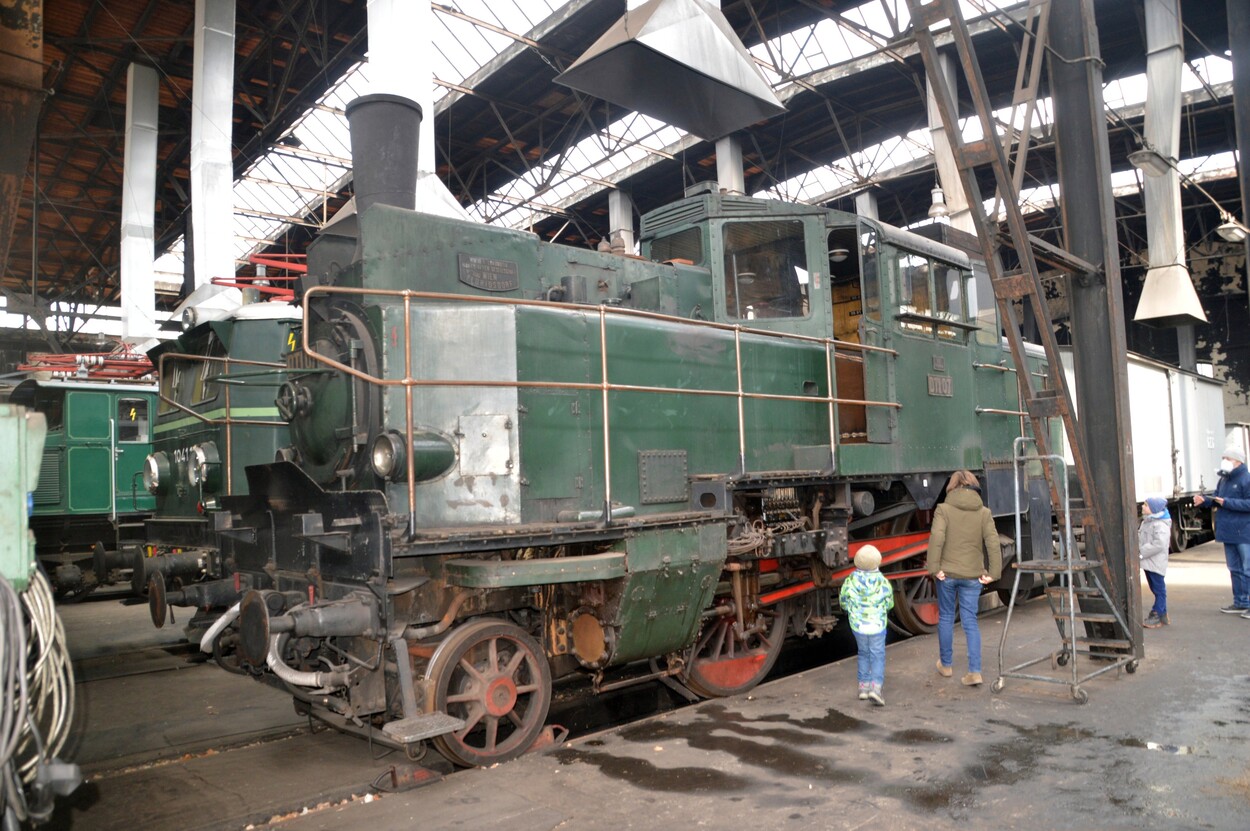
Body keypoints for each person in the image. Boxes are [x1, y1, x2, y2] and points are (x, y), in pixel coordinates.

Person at [926, 470, 1001, 686]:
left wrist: (935, 568)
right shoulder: (983, 512)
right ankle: (975, 672)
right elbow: (993, 543)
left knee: (947, 617)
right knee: (970, 620)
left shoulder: (944, 509)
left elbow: (937, 538)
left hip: (947, 575)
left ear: (952, 487)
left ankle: (946, 666)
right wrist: (993, 573)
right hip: (973, 576)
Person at [1194, 447, 1250, 617]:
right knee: (1234, 568)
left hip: (1243, 532)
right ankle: (1240, 602)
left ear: (1238, 461)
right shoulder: (1224, 479)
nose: (1224, 460)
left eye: (1228, 458)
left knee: (1247, 568)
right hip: (1228, 531)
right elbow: (1217, 497)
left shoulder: (1246, 479)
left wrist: (1226, 502)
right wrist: (1205, 500)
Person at [839, 544, 894, 706]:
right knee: (877, 655)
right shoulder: (883, 582)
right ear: (878, 562)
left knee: (863, 653)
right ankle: (876, 689)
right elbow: (889, 603)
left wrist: (851, 610)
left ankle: (863, 688)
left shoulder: (850, 580)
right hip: (877, 625)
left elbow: (843, 601)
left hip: (858, 626)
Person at [1139, 497, 1172, 628]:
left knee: (1159, 590)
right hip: (1149, 561)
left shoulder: (1160, 525)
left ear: (1153, 509)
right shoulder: (1147, 522)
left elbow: (1159, 544)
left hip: (1155, 562)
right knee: (1155, 588)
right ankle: (1163, 615)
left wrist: (1141, 552)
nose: (1142, 506)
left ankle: (1156, 613)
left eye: (1145, 505)